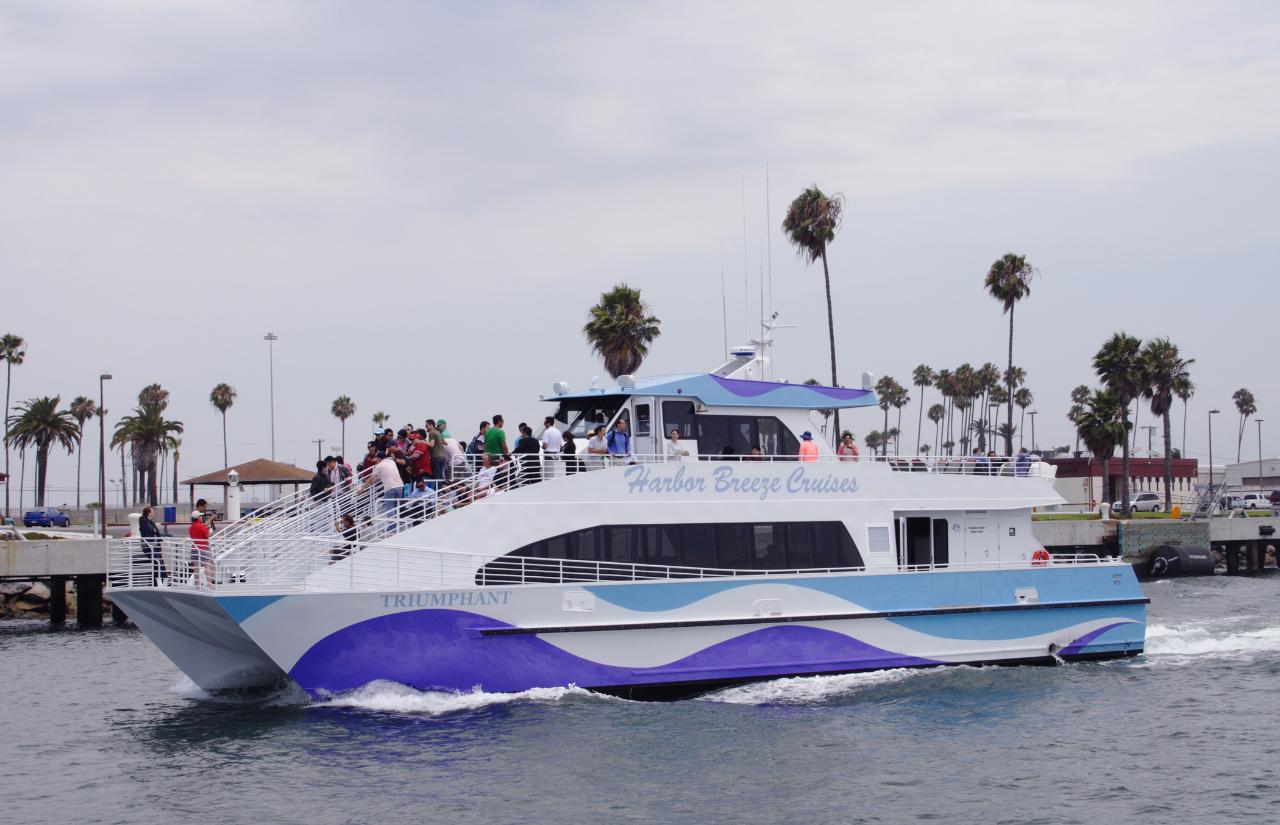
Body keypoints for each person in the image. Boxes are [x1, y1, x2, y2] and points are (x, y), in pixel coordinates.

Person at [138, 505, 166, 585]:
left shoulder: (150, 522)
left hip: (155, 546)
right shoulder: (143, 521)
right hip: (149, 546)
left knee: (159, 562)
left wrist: (164, 536)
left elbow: (156, 533)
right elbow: (148, 532)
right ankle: (156, 582)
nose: (153, 513)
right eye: (152, 512)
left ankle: (163, 581)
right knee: (157, 562)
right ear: (148, 513)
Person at [188, 509, 212, 585]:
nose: (202, 517)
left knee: (196, 567)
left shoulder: (191, 527)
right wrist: (211, 530)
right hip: (203, 548)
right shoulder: (201, 526)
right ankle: (209, 584)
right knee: (207, 565)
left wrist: (210, 520)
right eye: (201, 516)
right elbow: (208, 534)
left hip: (194, 548)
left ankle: (197, 584)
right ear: (198, 517)